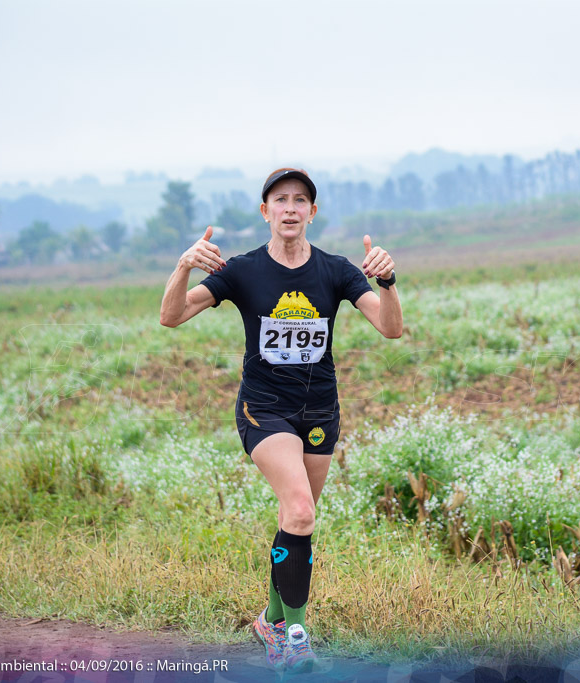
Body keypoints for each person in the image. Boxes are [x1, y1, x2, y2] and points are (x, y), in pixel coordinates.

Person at [158, 168, 403, 671]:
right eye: (279, 200)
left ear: (312, 213)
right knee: (300, 510)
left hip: (320, 411)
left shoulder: (335, 270)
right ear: (265, 211)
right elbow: (172, 315)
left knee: (297, 521)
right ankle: (295, 638)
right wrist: (183, 266)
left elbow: (390, 327)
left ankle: (270, 618)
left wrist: (389, 281)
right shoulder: (243, 270)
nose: (289, 208)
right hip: (264, 409)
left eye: (299, 201)